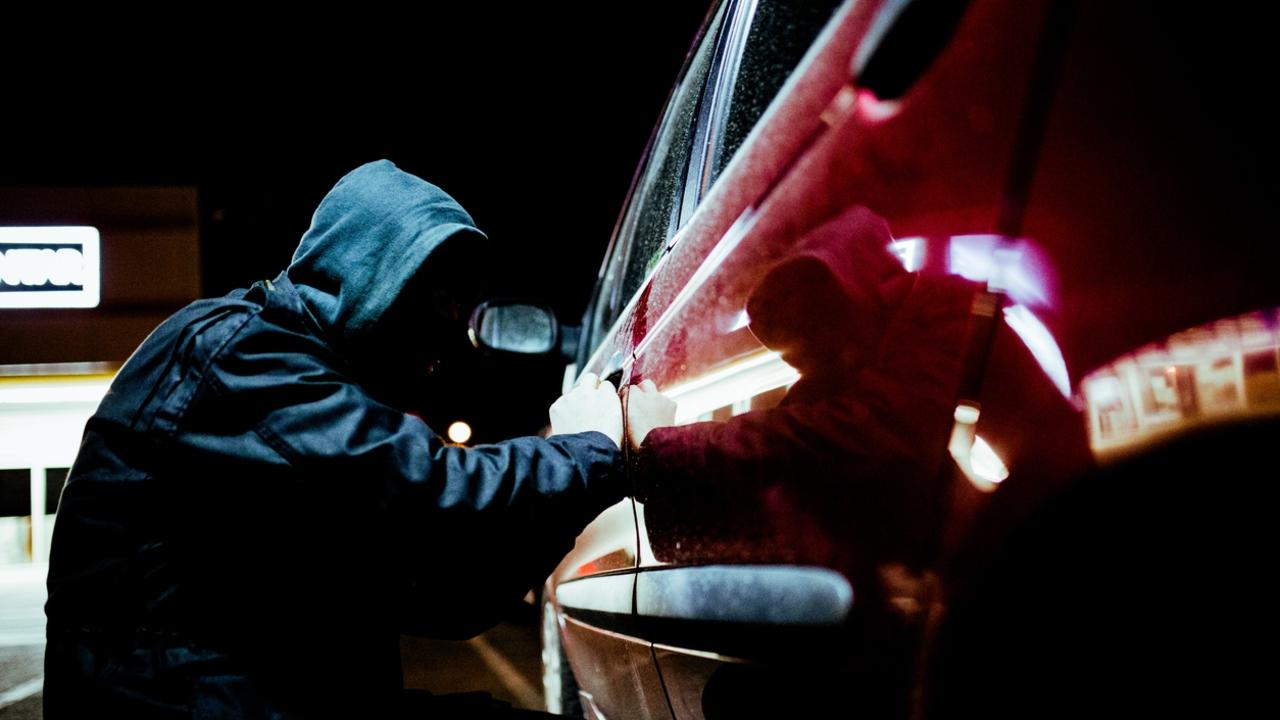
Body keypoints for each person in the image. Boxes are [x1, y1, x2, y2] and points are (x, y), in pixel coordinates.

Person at [43, 160, 667, 718]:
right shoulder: (238, 353)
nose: (446, 334)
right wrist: (587, 446)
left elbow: (446, 598)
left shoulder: (302, 385)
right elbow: (427, 493)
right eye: (435, 294)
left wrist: (562, 500)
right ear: (365, 271)